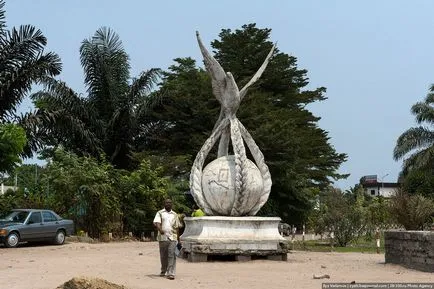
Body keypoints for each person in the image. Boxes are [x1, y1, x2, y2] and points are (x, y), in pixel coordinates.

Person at [153, 199, 181, 280]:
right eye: (166, 202)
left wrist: (179, 239)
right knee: (163, 256)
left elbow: (177, 228)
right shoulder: (160, 213)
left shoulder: (175, 214)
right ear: (164, 204)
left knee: (172, 255)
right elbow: (157, 222)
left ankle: (171, 273)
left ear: (172, 204)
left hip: (173, 237)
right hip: (163, 238)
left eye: (169, 203)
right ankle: (163, 270)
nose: (168, 204)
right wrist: (160, 229)